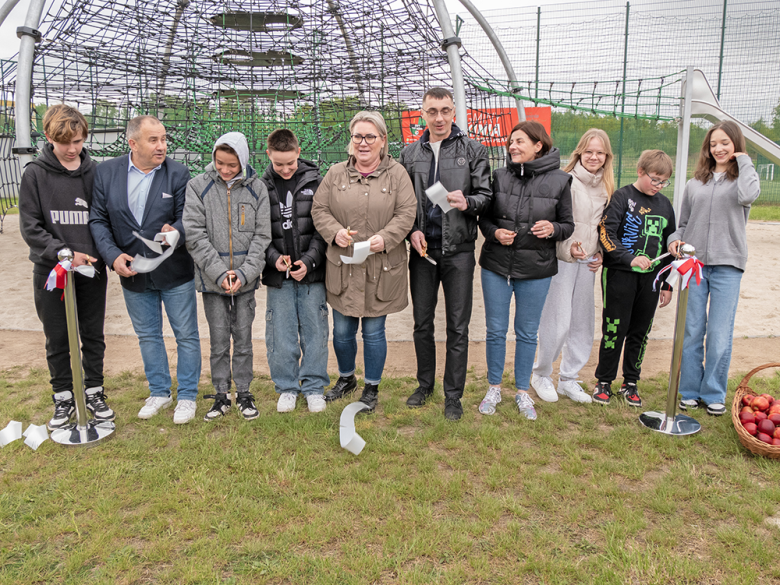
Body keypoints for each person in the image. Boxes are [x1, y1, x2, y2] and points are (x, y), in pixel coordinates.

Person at [90, 115, 201, 424]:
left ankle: (188, 396)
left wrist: (175, 232)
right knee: (148, 335)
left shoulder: (178, 173)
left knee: (186, 335)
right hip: (132, 272)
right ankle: (160, 392)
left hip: (175, 272)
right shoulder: (106, 172)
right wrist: (113, 256)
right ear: (133, 143)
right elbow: (98, 220)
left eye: (164, 139)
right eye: (154, 140)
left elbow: (188, 218)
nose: (162, 146)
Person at [311, 111, 416, 413]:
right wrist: (335, 233)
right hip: (344, 267)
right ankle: (347, 379)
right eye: (358, 136)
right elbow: (320, 210)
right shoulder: (335, 174)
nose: (363, 142)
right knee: (342, 331)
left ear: (383, 141)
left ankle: (371, 386)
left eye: (371, 136)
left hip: (380, 268)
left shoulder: (397, 175)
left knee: (373, 332)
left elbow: (407, 213)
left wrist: (386, 238)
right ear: (351, 140)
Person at [398, 87, 492, 421]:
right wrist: (412, 231)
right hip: (422, 252)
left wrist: (469, 202)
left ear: (454, 113)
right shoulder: (409, 155)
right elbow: (402, 203)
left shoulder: (474, 150)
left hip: (460, 252)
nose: (439, 118)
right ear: (422, 114)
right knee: (422, 323)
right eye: (432, 111)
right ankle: (425, 385)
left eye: (445, 111)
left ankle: (453, 395)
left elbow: (486, 196)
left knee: (458, 326)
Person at [19, 104, 113, 430]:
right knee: (57, 336)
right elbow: (31, 227)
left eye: (78, 141)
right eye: (65, 143)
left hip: (90, 270)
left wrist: (95, 254)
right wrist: (64, 254)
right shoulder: (35, 174)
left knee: (92, 333)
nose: (72, 149)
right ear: (48, 137)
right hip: (52, 271)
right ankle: (62, 397)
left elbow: (103, 218)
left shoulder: (95, 172)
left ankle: (94, 392)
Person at [476, 121, 574, 420]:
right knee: (495, 330)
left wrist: (553, 228)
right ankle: (493, 387)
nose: (512, 147)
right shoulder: (499, 176)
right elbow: (484, 219)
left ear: (538, 145)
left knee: (527, 332)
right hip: (495, 266)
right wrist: (494, 234)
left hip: (536, 269)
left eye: (519, 142)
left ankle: (522, 392)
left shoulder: (560, 180)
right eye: (511, 142)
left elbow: (568, 225)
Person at [668, 121, 760, 416]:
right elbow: (682, 224)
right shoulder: (695, 183)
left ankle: (714, 392)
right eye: (713, 144)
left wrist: (742, 159)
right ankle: (691, 391)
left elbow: (747, 196)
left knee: (720, 333)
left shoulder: (743, 180)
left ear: (735, 145)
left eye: (725, 143)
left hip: (728, 265)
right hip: (694, 265)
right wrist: (674, 240)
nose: (718, 149)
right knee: (693, 330)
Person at [183, 132, 270, 421]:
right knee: (218, 339)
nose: (225, 169)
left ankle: (244, 392)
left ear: (242, 161)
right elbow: (194, 235)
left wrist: (244, 274)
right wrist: (219, 273)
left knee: (243, 339)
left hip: (245, 281)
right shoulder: (198, 187)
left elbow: (262, 236)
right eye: (220, 163)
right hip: (212, 280)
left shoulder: (258, 189)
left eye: (232, 164)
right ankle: (220, 395)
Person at [532, 129, 615, 404]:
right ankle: (541, 373)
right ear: (580, 152)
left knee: (582, 323)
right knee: (558, 320)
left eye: (600, 152)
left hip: (588, 263)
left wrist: (601, 251)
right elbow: (555, 222)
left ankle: (568, 378)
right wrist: (569, 247)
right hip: (563, 259)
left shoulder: (607, 186)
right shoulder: (565, 181)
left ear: (606, 157)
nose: (594, 157)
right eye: (589, 151)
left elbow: (604, 226)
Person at [593, 150, 676, 407]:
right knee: (615, 328)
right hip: (620, 275)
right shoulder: (622, 197)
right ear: (640, 171)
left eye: (664, 182)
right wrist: (629, 258)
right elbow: (606, 233)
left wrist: (667, 282)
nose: (659, 186)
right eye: (655, 179)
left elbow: (670, 243)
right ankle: (604, 381)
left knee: (640, 331)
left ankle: (631, 382)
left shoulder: (665, 205)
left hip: (651, 281)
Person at [260, 129, 329, 414]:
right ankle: (287, 387)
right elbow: (256, 233)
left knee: (315, 331)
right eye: (279, 164)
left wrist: (311, 260)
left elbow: (324, 228)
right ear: (269, 156)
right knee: (280, 334)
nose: (286, 169)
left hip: (312, 274)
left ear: (299, 152)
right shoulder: (259, 186)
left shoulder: (318, 182)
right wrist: (273, 258)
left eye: (290, 163)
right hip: (278, 276)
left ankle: (313, 386)